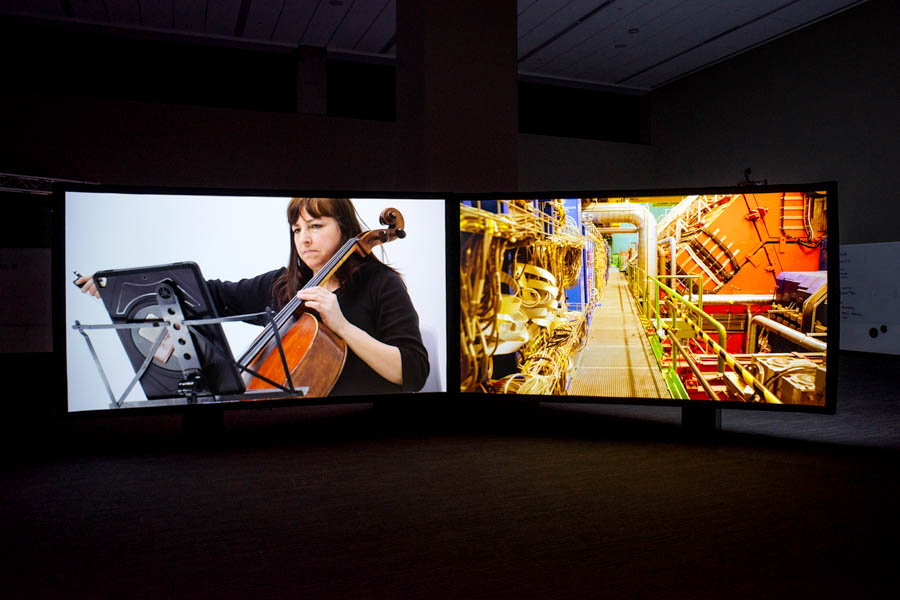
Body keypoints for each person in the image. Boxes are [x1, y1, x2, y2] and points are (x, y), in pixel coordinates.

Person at [77, 197, 430, 397]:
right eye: (297, 229)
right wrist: (119, 284)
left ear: (346, 229)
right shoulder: (283, 287)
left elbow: (414, 372)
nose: (304, 239)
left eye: (316, 226)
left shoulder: (382, 285)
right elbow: (209, 293)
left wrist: (343, 327)